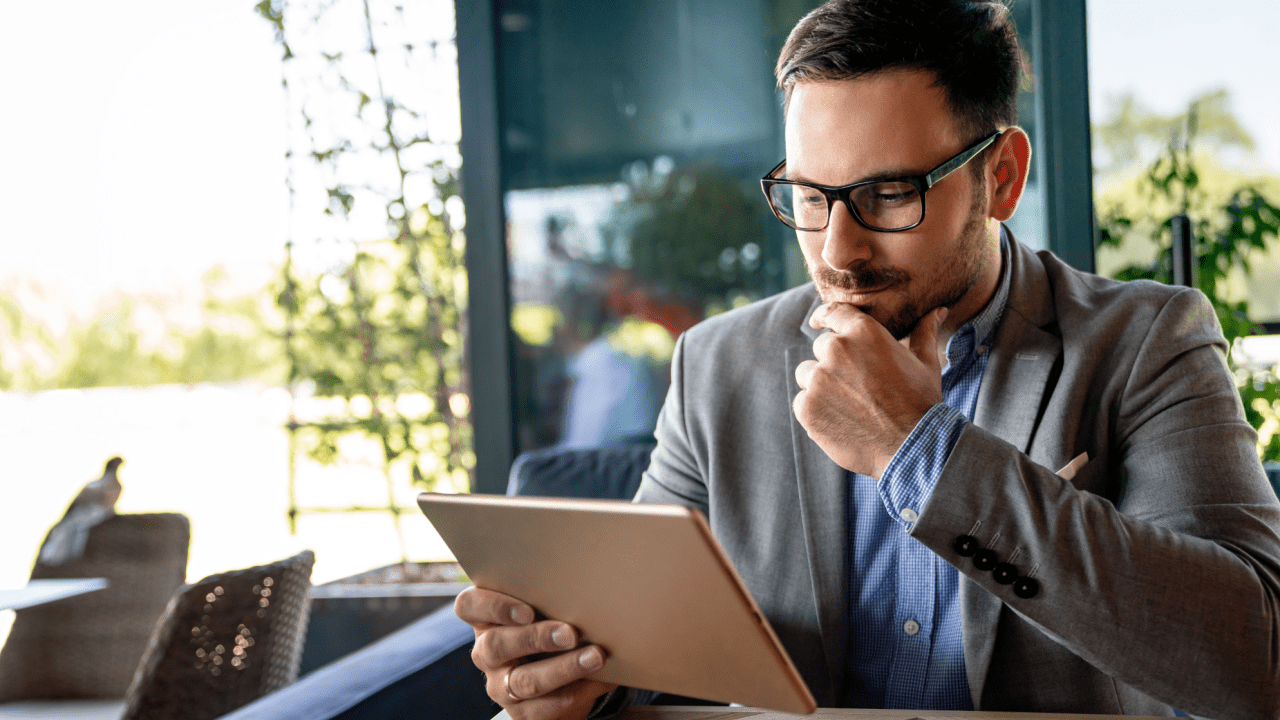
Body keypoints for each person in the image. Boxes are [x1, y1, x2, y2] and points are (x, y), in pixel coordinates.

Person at [455, 0, 1280, 717]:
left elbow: (1255, 664)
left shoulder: (1145, 343)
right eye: (812, 198)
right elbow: (633, 641)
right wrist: (574, 676)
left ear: (1002, 176)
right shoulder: (718, 366)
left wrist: (921, 451)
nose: (837, 250)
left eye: (888, 194)